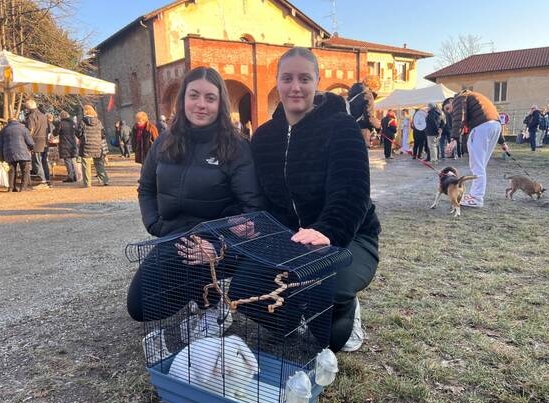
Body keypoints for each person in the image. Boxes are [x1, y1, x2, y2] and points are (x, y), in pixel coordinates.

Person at [250, 47, 381, 353]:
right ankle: (298, 310)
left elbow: (353, 193)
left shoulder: (341, 127)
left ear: (317, 82)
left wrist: (328, 231)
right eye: (288, 78)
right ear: (278, 83)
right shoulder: (264, 136)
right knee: (249, 290)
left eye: (304, 78)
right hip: (292, 240)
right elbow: (262, 200)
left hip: (347, 237)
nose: (296, 86)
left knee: (332, 337)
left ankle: (347, 305)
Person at [127, 66, 263, 322]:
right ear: (183, 99)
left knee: (197, 262)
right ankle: (200, 294)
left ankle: (211, 303)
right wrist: (155, 224)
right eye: (194, 96)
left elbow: (252, 210)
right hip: (174, 239)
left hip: (218, 244)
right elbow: (145, 188)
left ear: (220, 103)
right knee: (140, 307)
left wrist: (218, 245)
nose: (201, 104)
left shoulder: (236, 146)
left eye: (210, 98)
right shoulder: (163, 142)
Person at [444, 90, 508, 208]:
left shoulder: (459, 98)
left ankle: (477, 198)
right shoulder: (475, 97)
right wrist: (502, 142)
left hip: (481, 128)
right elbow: (490, 116)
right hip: (495, 126)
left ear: (451, 101)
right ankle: (474, 195)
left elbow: (459, 117)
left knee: (477, 165)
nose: (450, 112)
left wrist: (453, 139)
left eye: (448, 108)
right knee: (480, 165)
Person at [0, 117, 35, 192]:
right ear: (17, 121)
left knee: (11, 170)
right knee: (25, 170)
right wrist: (31, 148)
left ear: (8, 122)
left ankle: (11, 188)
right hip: (23, 152)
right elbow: (30, 142)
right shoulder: (23, 128)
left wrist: (1, 157)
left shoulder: (3, 130)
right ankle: (23, 187)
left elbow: (0, 145)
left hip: (9, 153)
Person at [75, 104, 109, 187]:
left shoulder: (83, 121)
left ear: (85, 111)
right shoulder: (98, 121)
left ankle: (87, 183)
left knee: (86, 164)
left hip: (86, 146)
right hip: (97, 145)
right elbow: (103, 134)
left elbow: (79, 133)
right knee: (99, 163)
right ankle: (104, 180)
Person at [347, 80, 381, 147]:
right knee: (362, 153)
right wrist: (378, 126)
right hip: (362, 130)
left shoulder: (351, 96)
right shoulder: (368, 95)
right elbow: (369, 116)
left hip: (351, 128)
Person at [25, 99, 50, 189]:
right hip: (45, 141)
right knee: (44, 162)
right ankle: (47, 180)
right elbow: (49, 129)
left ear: (28, 107)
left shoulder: (32, 116)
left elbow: (30, 130)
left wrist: (28, 142)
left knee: (36, 162)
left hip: (36, 142)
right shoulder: (44, 116)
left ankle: (43, 181)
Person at [53, 110, 78, 182]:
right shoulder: (73, 123)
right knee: (72, 160)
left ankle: (70, 177)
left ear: (61, 116)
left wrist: (56, 127)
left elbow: (55, 133)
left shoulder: (60, 123)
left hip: (64, 143)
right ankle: (74, 176)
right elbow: (78, 132)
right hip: (72, 143)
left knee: (67, 160)